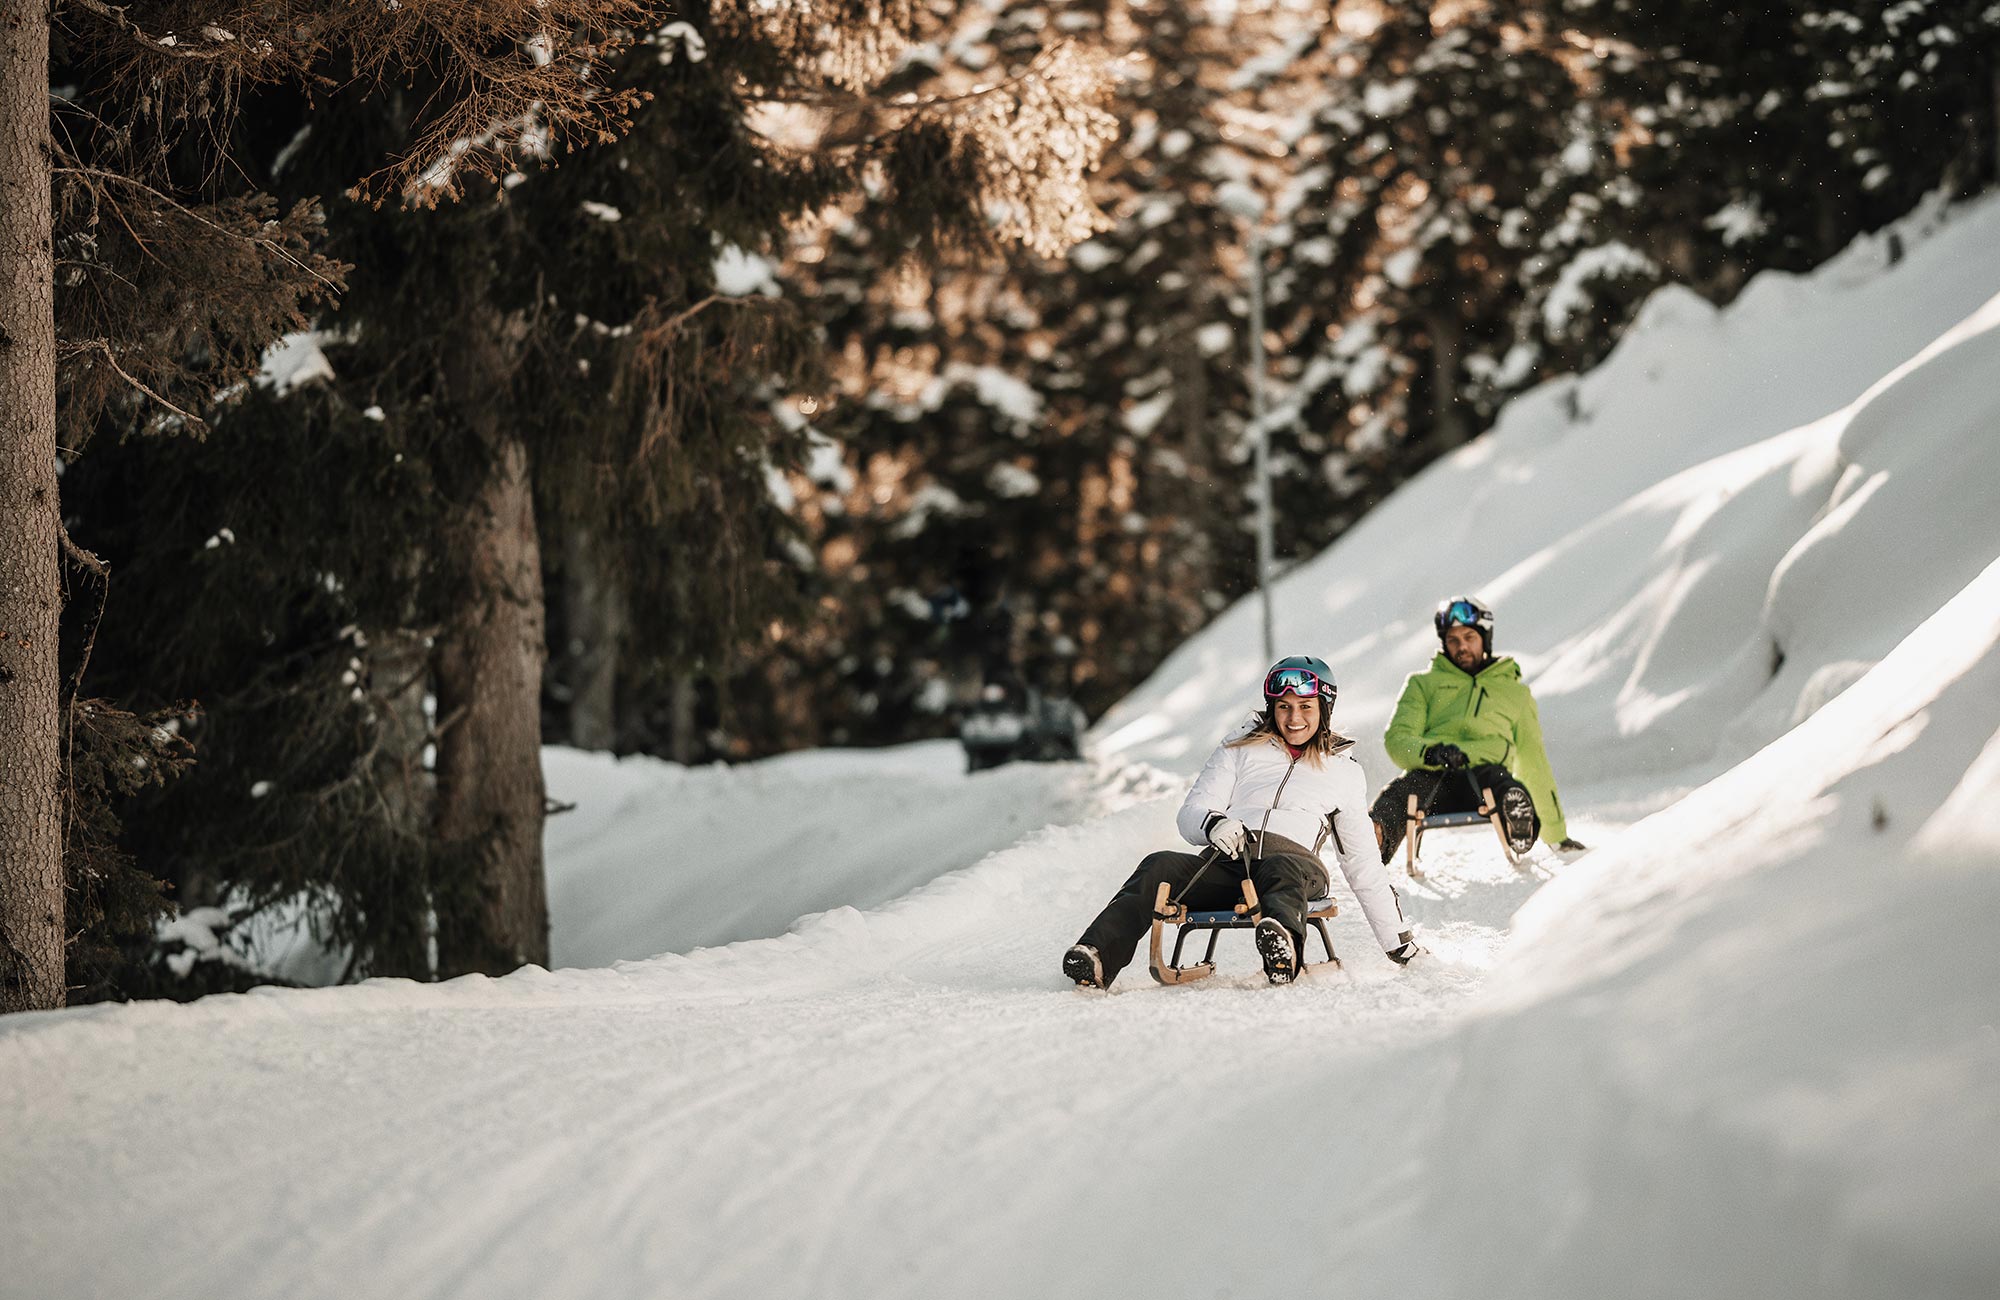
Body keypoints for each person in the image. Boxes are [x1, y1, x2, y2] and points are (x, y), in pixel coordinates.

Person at [1064, 656, 1424, 989]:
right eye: (1283, 707)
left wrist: (1398, 943)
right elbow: (1191, 811)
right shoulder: (1240, 748)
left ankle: (1283, 948)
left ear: (1324, 709)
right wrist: (1213, 824)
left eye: (1305, 707)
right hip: (1230, 862)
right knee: (1159, 864)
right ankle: (1096, 955)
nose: (1293, 718)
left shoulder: (1344, 772)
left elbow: (1361, 863)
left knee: (1282, 868)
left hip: (1296, 870)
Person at [1370, 597, 1586, 862]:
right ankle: (1374, 836)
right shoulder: (1422, 685)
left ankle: (1519, 824)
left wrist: (1558, 836)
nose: (1462, 647)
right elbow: (1397, 738)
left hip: (1485, 779)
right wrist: (1431, 753)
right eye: (1453, 640)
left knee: (1504, 784)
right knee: (1405, 790)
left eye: (1469, 637)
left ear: (1485, 637)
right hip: (1434, 777)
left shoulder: (1514, 693)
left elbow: (1533, 761)